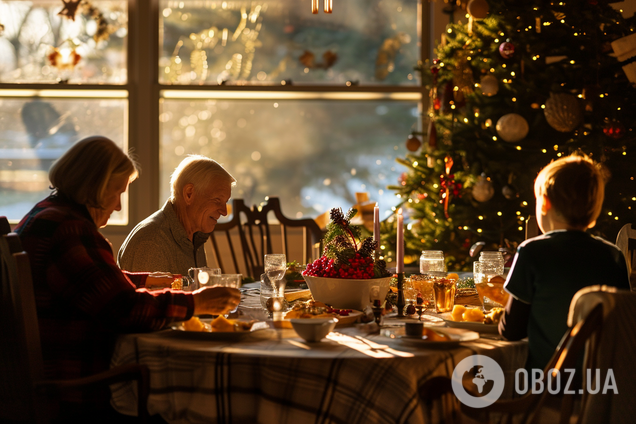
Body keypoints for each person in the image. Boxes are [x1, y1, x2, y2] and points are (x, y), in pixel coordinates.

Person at [14, 136, 241, 422]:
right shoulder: (71, 230)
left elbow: (90, 283)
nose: (119, 206)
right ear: (93, 186)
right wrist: (196, 302)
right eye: (116, 192)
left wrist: (143, 279)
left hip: (43, 380)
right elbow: (126, 311)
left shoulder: (45, 215)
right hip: (76, 388)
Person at [498, 153, 630, 375]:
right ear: (595, 209)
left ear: (545, 203)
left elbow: (511, 331)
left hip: (545, 391)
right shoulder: (614, 256)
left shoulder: (532, 251)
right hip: (600, 390)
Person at [118, 155, 235, 277]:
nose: (224, 212)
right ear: (189, 194)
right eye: (217, 200)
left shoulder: (195, 236)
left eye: (225, 202)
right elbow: (150, 297)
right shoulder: (152, 242)